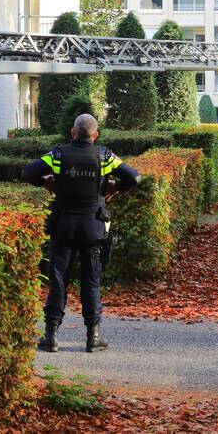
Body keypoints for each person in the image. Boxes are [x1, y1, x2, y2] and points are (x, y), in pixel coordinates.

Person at [22, 114, 140, 353]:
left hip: (63, 225)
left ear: (72, 132)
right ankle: (93, 337)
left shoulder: (58, 154)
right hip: (93, 228)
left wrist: (47, 182)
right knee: (92, 281)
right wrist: (116, 188)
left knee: (57, 281)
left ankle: (51, 336)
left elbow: (28, 172)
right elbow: (134, 177)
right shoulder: (104, 155)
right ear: (95, 135)